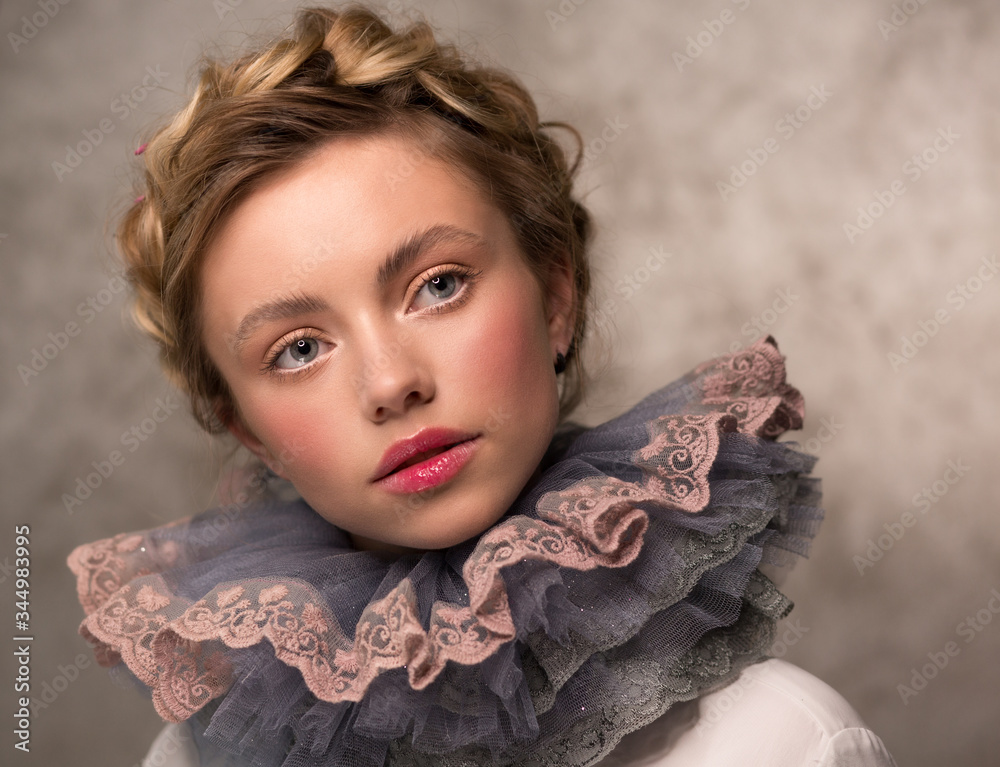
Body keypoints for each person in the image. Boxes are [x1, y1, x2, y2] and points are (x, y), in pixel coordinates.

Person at [66, 5, 897, 766]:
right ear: (245, 427)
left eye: (437, 285)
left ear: (556, 297)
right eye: (299, 348)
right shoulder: (194, 758)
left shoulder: (783, 743)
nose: (391, 382)